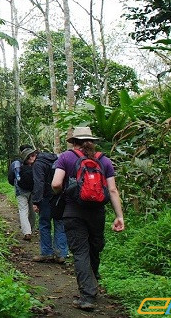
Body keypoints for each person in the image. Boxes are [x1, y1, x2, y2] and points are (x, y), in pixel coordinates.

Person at [51, 126, 125, 312]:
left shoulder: (66, 158)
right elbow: (113, 190)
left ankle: (87, 296)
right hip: (97, 213)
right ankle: (93, 286)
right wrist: (119, 216)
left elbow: (56, 183)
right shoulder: (104, 160)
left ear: (74, 142)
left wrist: (63, 193)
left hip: (73, 212)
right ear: (92, 142)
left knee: (80, 253)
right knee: (94, 250)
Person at [31, 148, 68, 263]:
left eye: (28, 160)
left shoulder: (38, 164)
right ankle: (61, 254)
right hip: (60, 197)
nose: (29, 163)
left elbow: (39, 183)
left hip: (46, 198)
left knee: (44, 224)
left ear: (32, 156)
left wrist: (36, 201)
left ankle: (47, 253)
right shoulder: (56, 158)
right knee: (60, 223)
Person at [8, 145, 37, 241]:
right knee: (32, 211)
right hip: (32, 191)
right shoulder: (36, 165)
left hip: (20, 191)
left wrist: (15, 184)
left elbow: (11, 177)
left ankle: (27, 232)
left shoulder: (17, 164)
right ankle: (31, 230)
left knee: (23, 210)